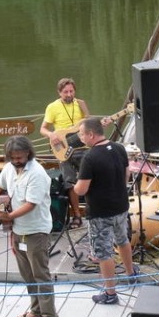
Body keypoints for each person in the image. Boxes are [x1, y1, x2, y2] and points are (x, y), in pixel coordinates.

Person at [0, 136, 61, 317]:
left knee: (41, 274)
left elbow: (31, 204)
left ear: (28, 153)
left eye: (19, 157)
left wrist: (8, 216)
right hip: (17, 230)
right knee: (27, 274)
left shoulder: (37, 173)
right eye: (12, 157)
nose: (16, 160)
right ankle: (36, 310)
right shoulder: (10, 168)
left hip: (36, 231)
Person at [74, 117, 138, 305]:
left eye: (81, 133)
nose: (80, 137)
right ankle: (130, 274)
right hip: (121, 206)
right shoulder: (119, 148)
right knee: (122, 240)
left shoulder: (90, 157)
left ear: (91, 134)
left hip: (100, 212)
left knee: (103, 253)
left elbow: (81, 189)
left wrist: (74, 187)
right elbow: (126, 174)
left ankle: (110, 293)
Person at [40, 78, 90, 229]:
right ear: (59, 92)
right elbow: (43, 128)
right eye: (65, 92)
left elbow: (89, 123)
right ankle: (76, 215)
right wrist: (51, 135)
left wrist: (90, 116)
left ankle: (92, 212)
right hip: (63, 150)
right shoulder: (52, 107)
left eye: (71, 91)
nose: (69, 94)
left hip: (82, 147)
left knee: (89, 179)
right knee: (69, 183)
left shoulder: (81, 104)